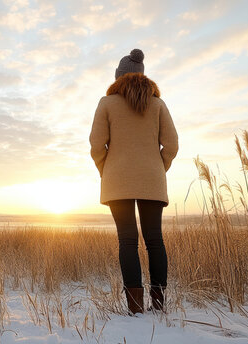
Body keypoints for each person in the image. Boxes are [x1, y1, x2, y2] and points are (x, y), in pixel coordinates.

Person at [89, 49, 178, 315]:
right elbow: (171, 145)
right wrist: (158, 168)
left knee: (127, 241)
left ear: (119, 77)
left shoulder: (107, 103)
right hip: (152, 179)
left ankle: (135, 307)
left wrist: (108, 168)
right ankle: (159, 304)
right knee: (154, 240)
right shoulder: (158, 104)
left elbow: (96, 145)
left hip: (117, 181)